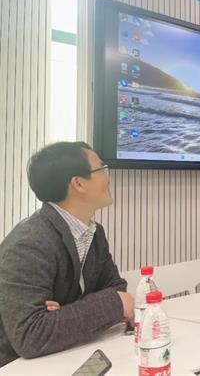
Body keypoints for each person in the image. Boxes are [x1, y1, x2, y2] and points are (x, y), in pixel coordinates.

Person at [0, 142, 134, 368]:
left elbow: (117, 289)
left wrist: (64, 314)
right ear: (78, 183)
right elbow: (31, 336)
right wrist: (110, 305)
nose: (107, 177)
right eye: (102, 169)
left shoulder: (94, 232)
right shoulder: (30, 242)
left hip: (68, 356)